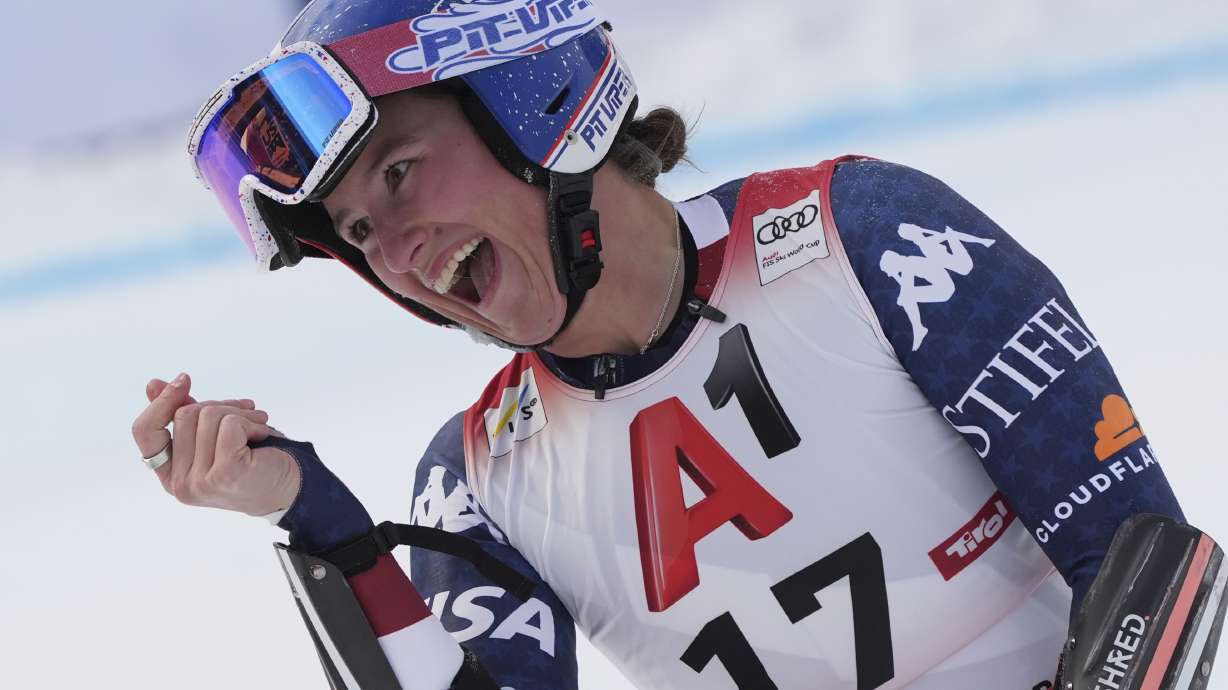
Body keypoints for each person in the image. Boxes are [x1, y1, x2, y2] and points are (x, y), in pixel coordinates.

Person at [130, 1, 1227, 688]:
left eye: (401, 172)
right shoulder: (476, 478)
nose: (398, 250)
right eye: (362, 234)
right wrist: (317, 523)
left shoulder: (867, 238)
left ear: (526, 104)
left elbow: (1151, 566)